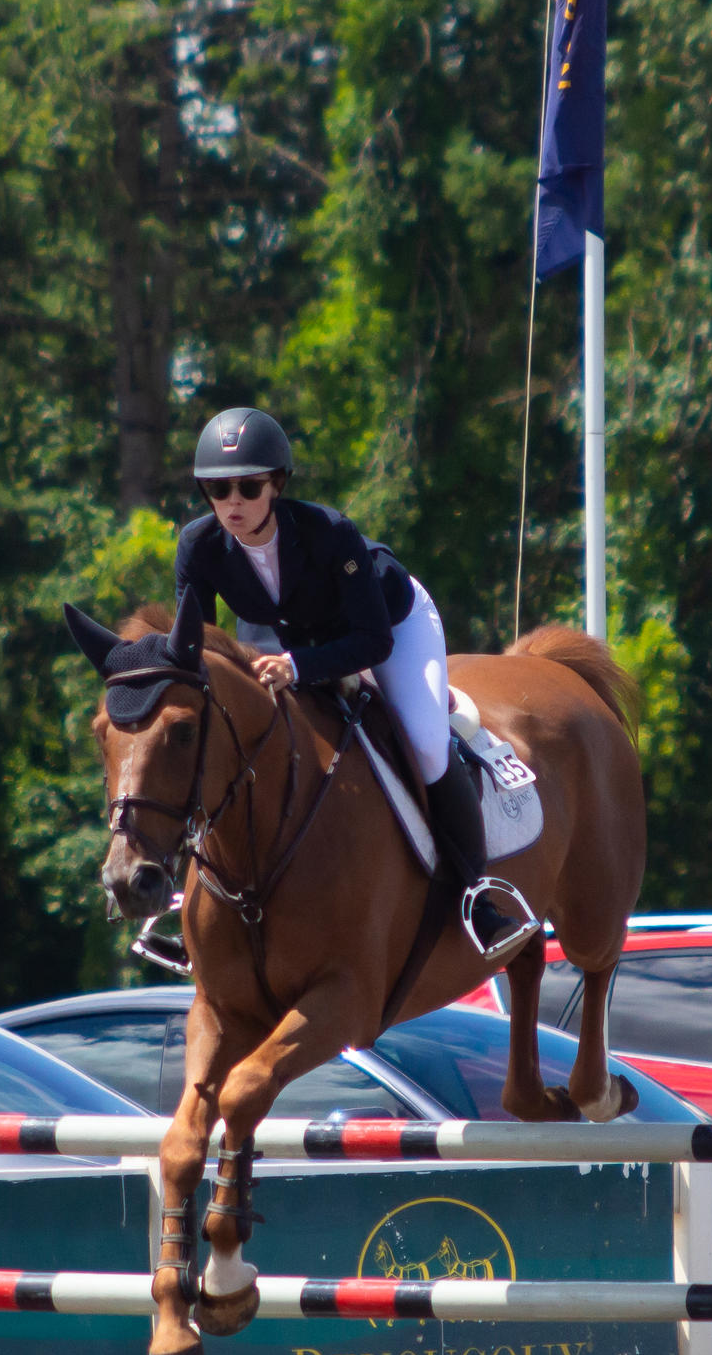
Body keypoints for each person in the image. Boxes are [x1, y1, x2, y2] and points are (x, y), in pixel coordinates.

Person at [174, 406, 537, 960]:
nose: (233, 504)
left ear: (277, 485)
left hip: (388, 622)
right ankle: (197, 905)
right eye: (218, 490)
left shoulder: (330, 533)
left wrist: (297, 668)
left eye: (248, 487)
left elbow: (372, 643)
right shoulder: (198, 547)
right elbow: (196, 644)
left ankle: (476, 898)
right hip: (283, 633)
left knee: (424, 744)